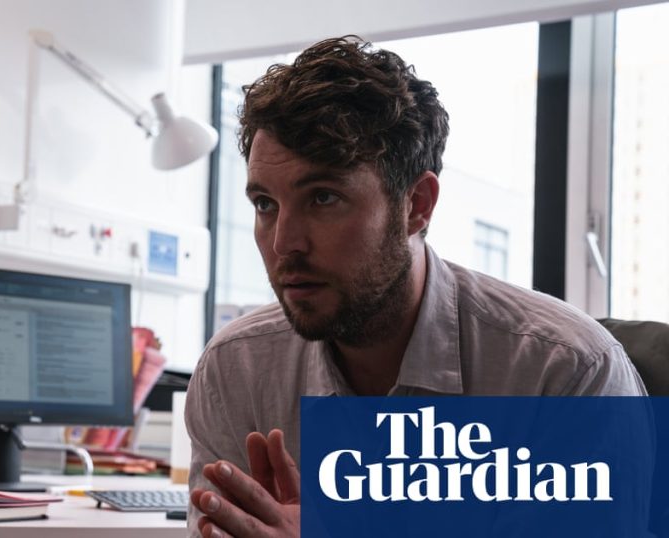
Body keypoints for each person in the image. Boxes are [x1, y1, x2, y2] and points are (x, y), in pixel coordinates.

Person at [185, 36, 647, 538]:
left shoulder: (566, 373)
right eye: (265, 204)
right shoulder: (237, 369)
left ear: (416, 205)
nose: (283, 244)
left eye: (323, 198)